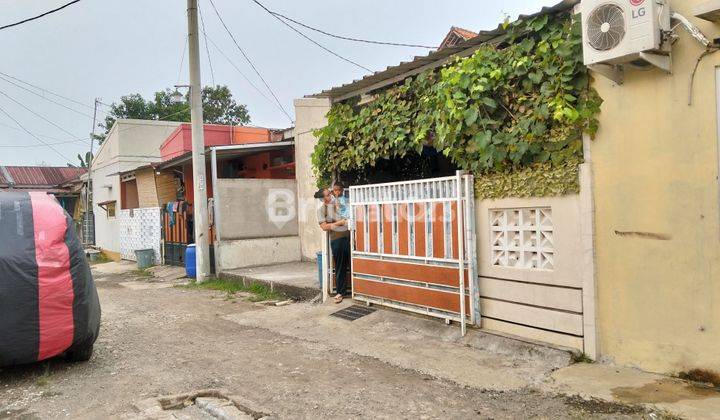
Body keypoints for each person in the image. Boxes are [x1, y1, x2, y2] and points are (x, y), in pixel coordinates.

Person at [315, 187, 350, 303]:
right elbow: (324, 227)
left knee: (354, 264)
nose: (331, 195)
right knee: (340, 266)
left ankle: (356, 290)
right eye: (328, 194)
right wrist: (340, 223)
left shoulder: (339, 203)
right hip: (338, 239)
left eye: (330, 193)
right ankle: (340, 292)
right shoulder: (321, 210)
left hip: (350, 236)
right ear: (323, 198)